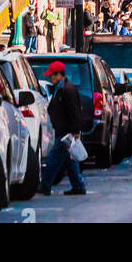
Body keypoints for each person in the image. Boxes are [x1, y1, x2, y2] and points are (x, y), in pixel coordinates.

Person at [39, 61, 87, 197]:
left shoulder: (67, 90)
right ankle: (78, 186)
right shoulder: (61, 88)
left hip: (66, 132)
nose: (50, 78)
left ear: (59, 74)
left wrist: (76, 131)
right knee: (70, 161)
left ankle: (45, 185)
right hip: (64, 131)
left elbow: (74, 111)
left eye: (52, 76)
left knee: (53, 159)